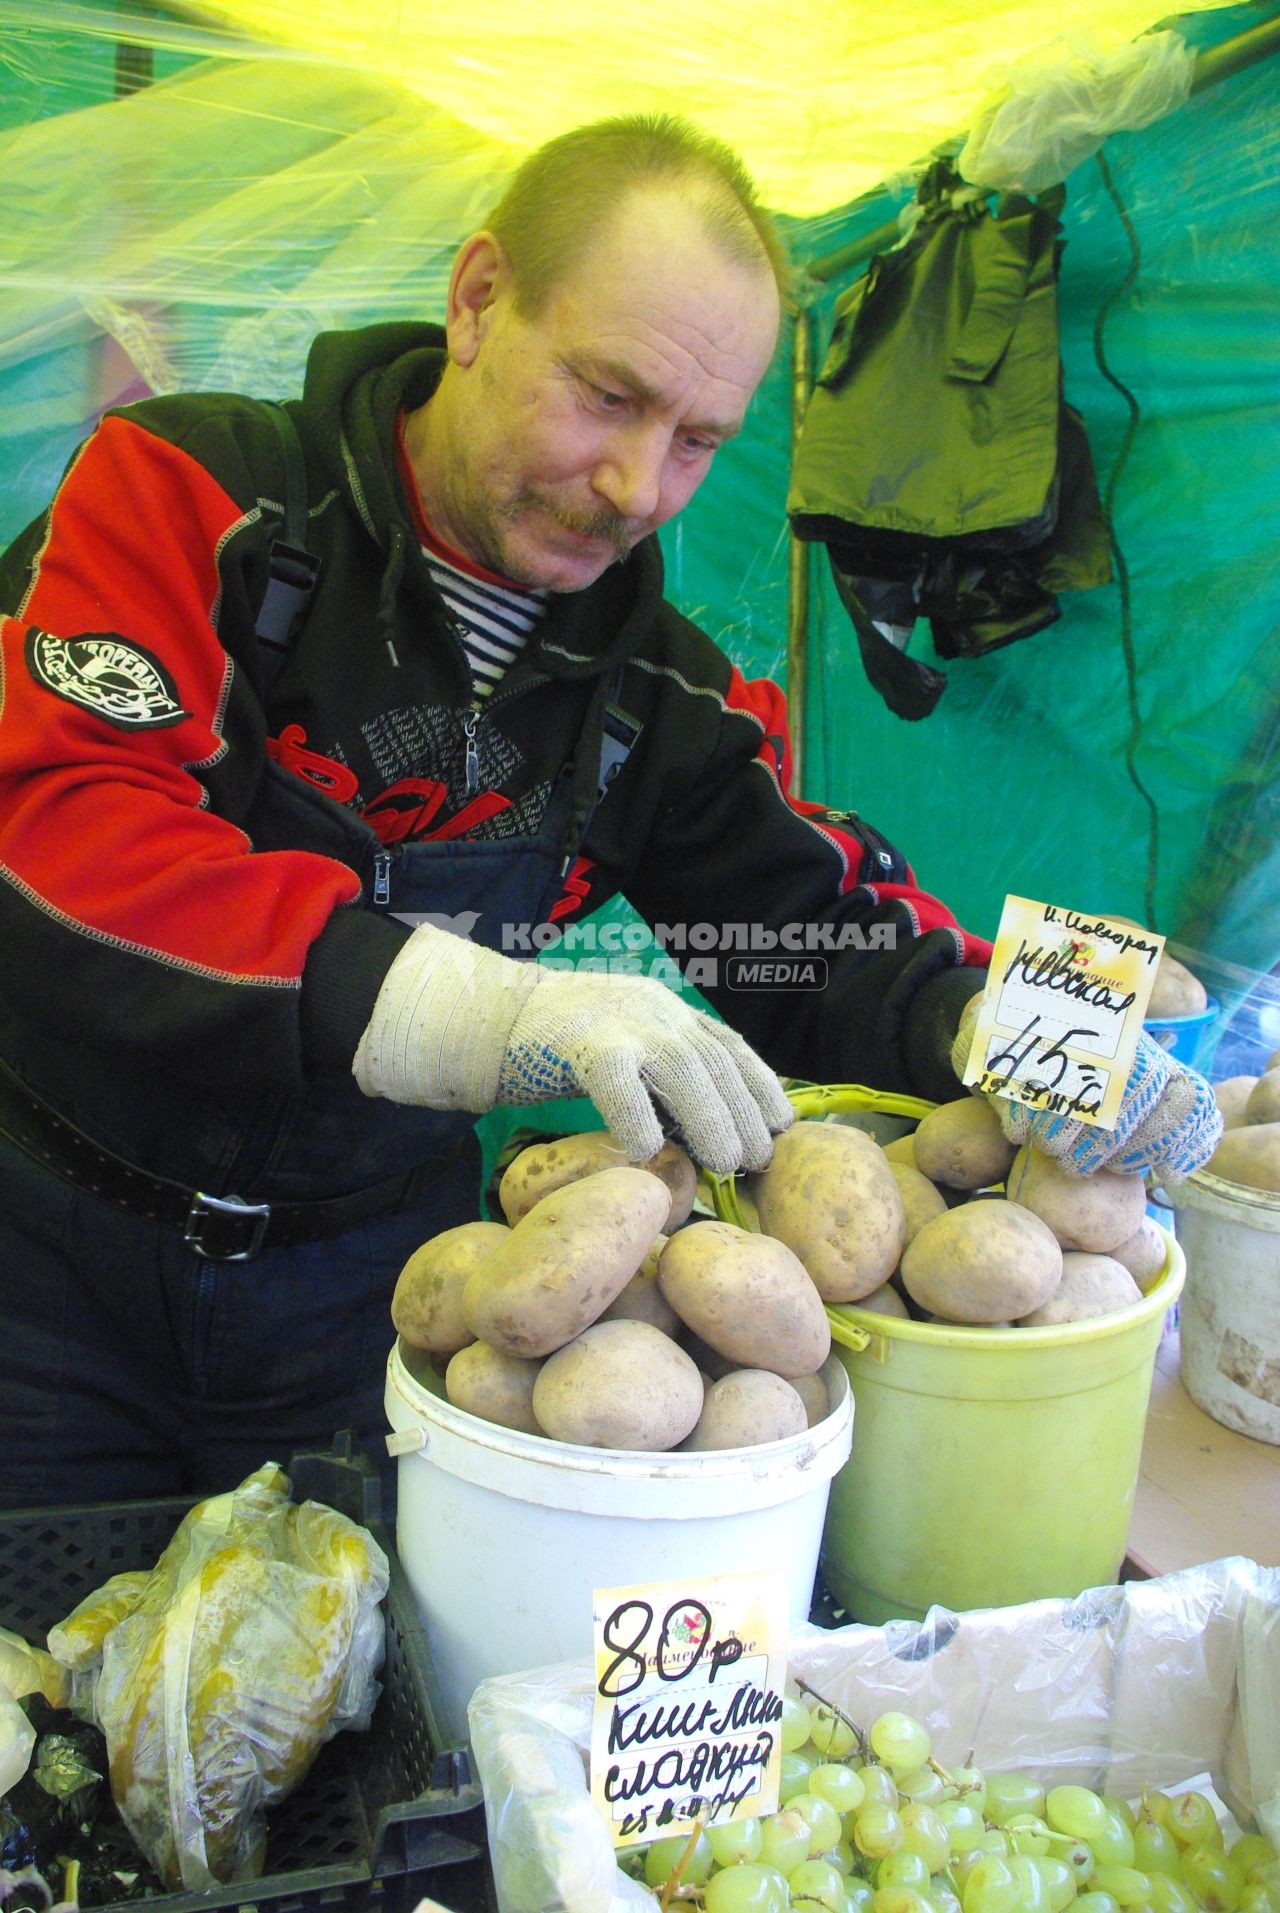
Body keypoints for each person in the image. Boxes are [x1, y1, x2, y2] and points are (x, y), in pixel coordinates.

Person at [0, 114, 1218, 1511]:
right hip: (50, 1263)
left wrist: (1013, 1026)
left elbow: (808, 927)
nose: (638, 488)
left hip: (379, 1293)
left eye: (699, 439)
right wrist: (486, 1012)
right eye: (607, 394)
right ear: (477, 303)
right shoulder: (190, 494)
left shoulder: (662, 696)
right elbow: (62, 835)